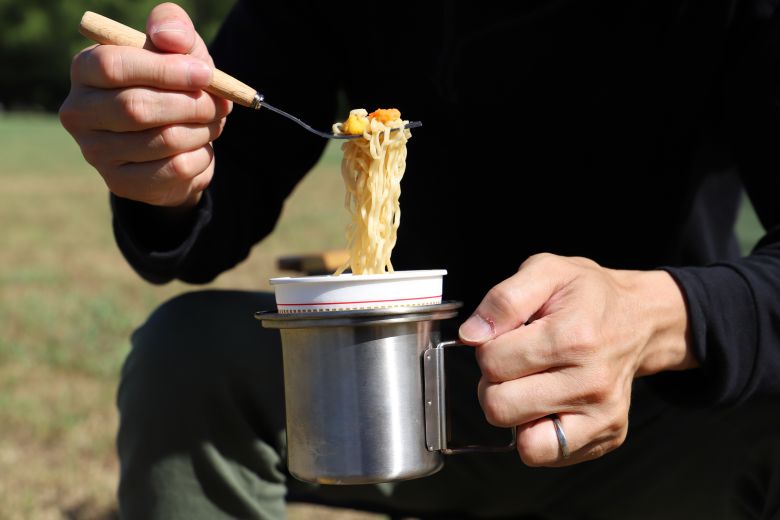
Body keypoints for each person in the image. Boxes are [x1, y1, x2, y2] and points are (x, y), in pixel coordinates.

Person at [59, 1, 780, 518]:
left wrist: (662, 318)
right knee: (186, 353)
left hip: (663, 415)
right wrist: (164, 159)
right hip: (395, 395)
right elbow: (216, 197)